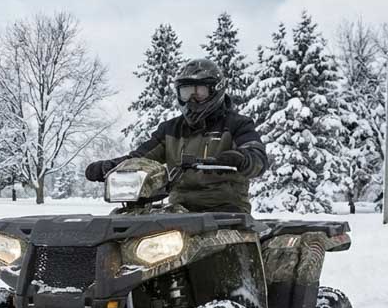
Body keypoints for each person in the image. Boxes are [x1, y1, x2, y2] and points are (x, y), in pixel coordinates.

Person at [86, 58, 268, 213]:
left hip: (227, 210)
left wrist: (242, 159)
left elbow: (257, 157)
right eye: (187, 92)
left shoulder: (237, 124)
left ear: (215, 90)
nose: (192, 99)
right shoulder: (171, 129)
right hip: (180, 210)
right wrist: (111, 167)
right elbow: (140, 158)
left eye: (199, 92)